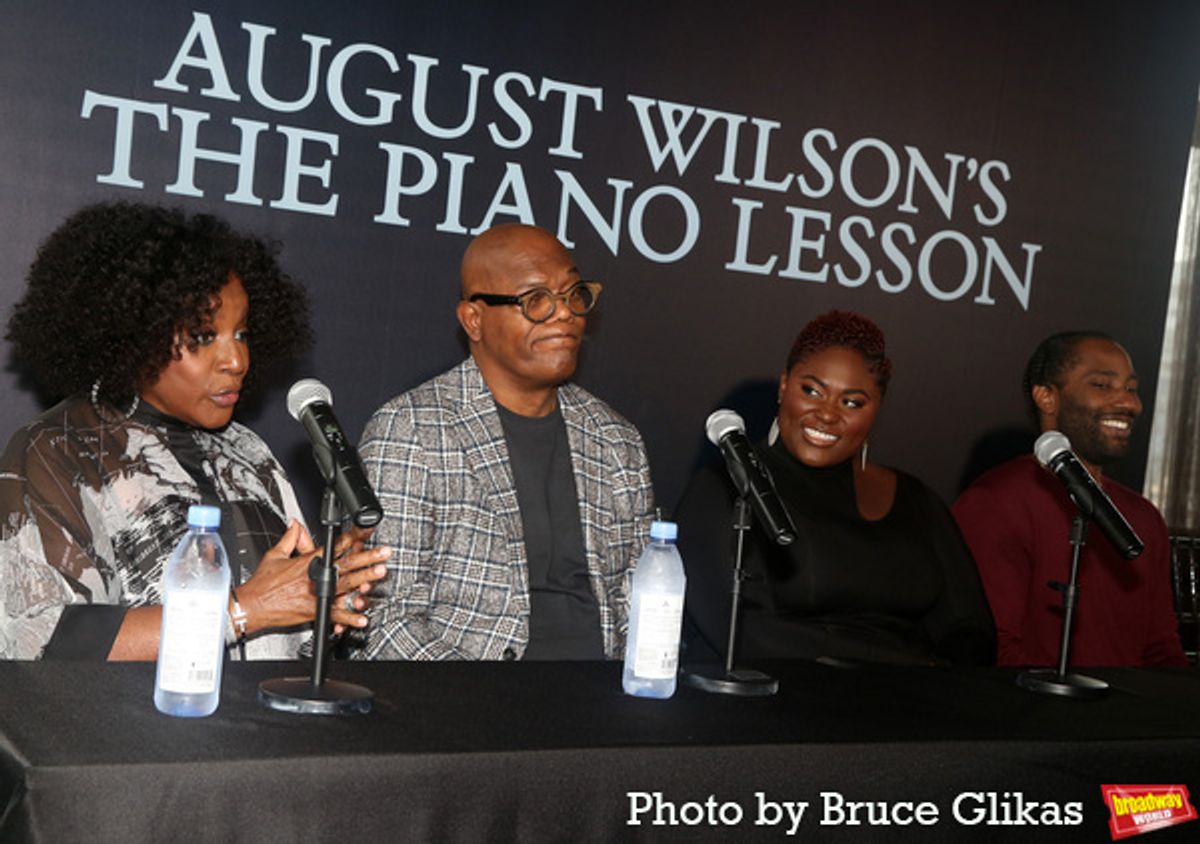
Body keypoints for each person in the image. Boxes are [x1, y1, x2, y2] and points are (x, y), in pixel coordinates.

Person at [0, 201, 389, 661]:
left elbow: (280, 636)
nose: (237, 361)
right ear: (133, 334)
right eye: (204, 337)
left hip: (264, 727)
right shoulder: (56, 450)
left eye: (241, 334)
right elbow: (43, 639)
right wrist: (244, 610)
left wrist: (322, 598)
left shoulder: (247, 451)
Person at [357, 223, 654, 660]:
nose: (566, 314)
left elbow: (639, 605)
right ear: (473, 319)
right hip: (469, 702)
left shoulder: (616, 439)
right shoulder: (410, 430)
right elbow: (386, 620)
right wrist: (488, 707)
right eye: (535, 300)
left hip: (604, 701)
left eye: (574, 294)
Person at [678, 311, 995, 666]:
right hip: (780, 702)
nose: (827, 414)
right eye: (812, 390)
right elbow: (747, 631)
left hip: (913, 709)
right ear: (784, 386)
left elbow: (971, 627)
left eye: (852, 402)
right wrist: (905, 667)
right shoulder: (725, 488)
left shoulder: (915, 499)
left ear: (876, 410)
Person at [952, 331, 1186, 667]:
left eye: (1132, 389)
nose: (1129, 403)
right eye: (1102, 385)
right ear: (1047, 397)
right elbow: (991, 649)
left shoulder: (1143, 517)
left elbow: (1162, 650)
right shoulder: (994, 502)